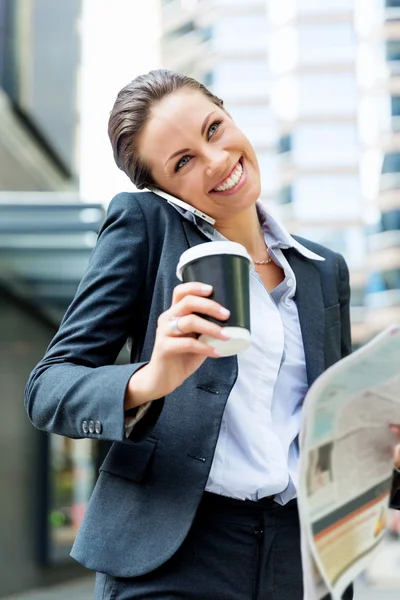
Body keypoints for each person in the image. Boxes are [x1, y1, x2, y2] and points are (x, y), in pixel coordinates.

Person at [24, 69, 399, 600]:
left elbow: (326, 428)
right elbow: (48, 387)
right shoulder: (146, 226)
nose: (217, 159)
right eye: (183, 162)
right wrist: (150, 379)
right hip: (176, 554)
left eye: (214, 128)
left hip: (297, 556)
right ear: (163, 190)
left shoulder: (322, 270)